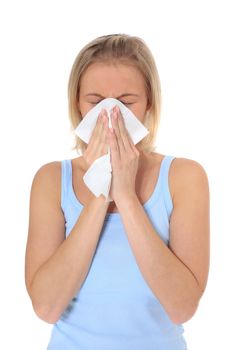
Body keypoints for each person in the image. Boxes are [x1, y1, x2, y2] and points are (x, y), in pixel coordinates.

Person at [25, 34, 210, 350]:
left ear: (149, 103)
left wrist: (126, 197)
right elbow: (46, 307)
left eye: (125, 103)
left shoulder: (184, 178)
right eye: (96, 102)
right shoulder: (51, 179)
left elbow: (182, 307)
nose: (110, 116)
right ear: (77, 104)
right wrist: (101, 191)